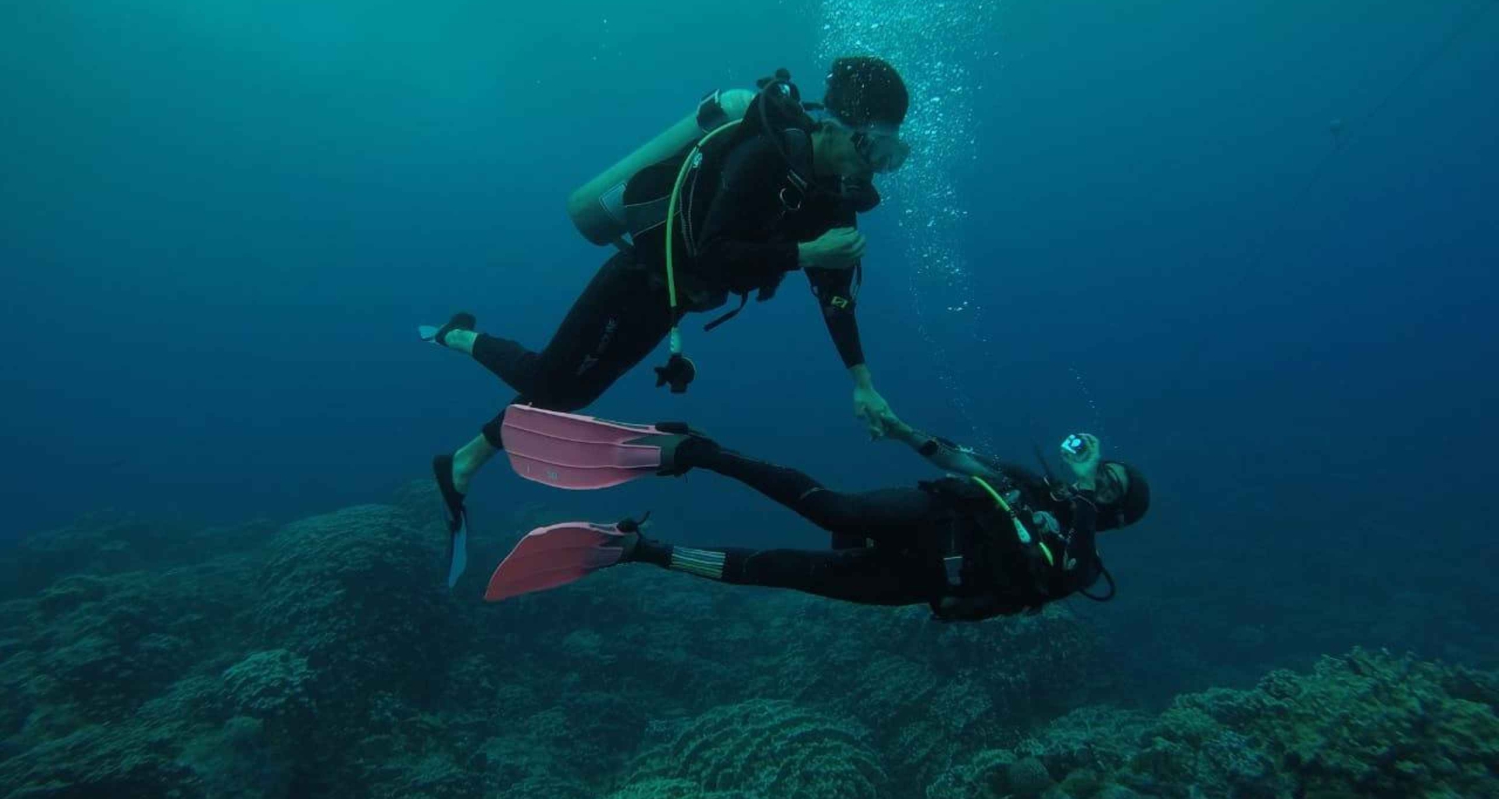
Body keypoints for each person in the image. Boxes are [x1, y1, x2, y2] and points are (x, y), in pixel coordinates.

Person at [422, 59, 914, 584]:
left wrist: (862, 382)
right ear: (834, 126)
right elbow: (715, 252)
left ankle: (462, 459)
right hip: (640, 277)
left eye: (891, 154)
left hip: (676, 299)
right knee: (548, 384)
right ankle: (459, 340)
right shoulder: (765, 156)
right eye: (871, 148)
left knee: (566, 394)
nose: (877, 167)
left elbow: (835, 293)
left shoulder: (835, 199)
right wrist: (807, 253)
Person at [483, 405, 1151, 621]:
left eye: (1109, 482)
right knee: (830, 505)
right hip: (929, 519)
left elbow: (1069, 567)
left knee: (789, 570)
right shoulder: (1035, 485)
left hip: (920, 582)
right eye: (1101, 470)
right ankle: (694, 450)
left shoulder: (1082, 558)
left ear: (1114, 508)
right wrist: (899, 429)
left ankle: (637, 550)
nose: (1094, 477)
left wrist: (1090, 494)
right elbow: (963, 461)